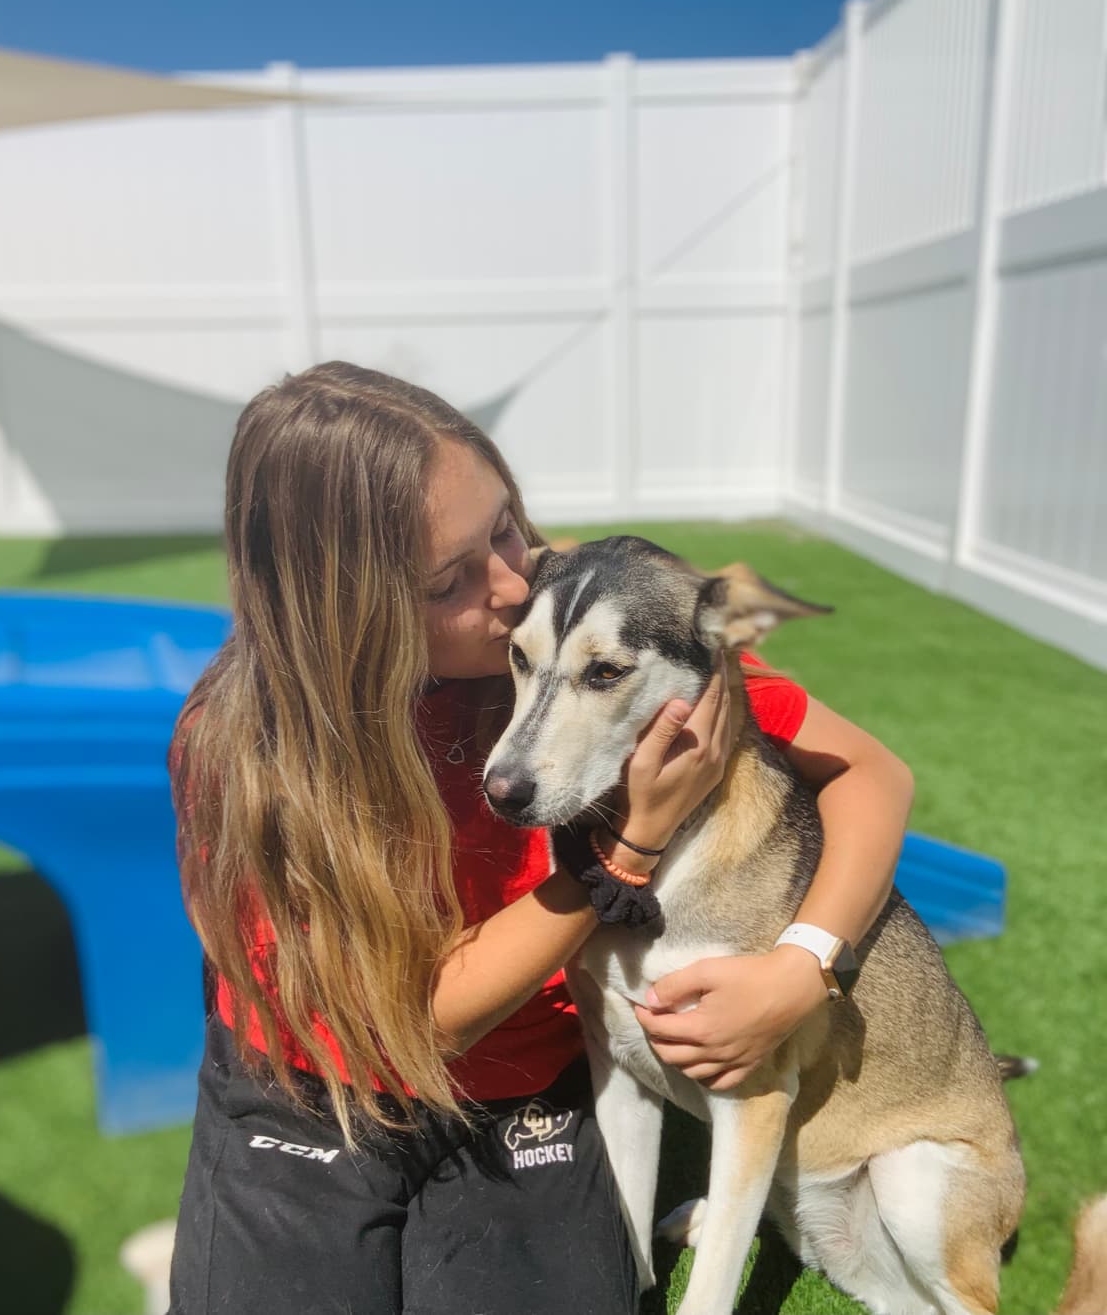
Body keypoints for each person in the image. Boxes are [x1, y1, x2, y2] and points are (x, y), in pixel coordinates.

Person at [165, 361, 915, 1315]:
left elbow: (873, 774)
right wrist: (626, 854)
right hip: (307, 1080)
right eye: (450, 579)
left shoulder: (583, 627)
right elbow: (424, 1022)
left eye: (506, 524)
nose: (517, 581)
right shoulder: (241, 750)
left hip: (526, 1082)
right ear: (343, 610)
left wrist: (802, 966)